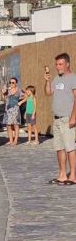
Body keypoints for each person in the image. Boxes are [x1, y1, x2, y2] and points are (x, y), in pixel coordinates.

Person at [44, 53, 76, 185]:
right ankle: (62, 174)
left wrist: (74, 117)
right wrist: (46, 80)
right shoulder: (56, 78)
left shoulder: (73, 78)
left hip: (67, 118)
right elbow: (48, 93)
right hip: (56, 119)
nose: (58, 67)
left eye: (60, 64)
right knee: (59, 148)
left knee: (70, 147)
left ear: (67, 64)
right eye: (56, 64)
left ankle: (73, 176)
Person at [2, 77, 23, 146]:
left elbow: (27, 96)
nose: (11, 84)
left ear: (16, 83)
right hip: (8, 110)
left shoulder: (19, 91)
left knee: (15, 125)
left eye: (13, 82)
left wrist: (21, 102)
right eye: (10, 82)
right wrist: (3, 92)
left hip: (15, 110)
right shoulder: (8, 90)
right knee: (8, 125)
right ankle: (11, 140)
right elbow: (3, 98)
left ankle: (15, 141)